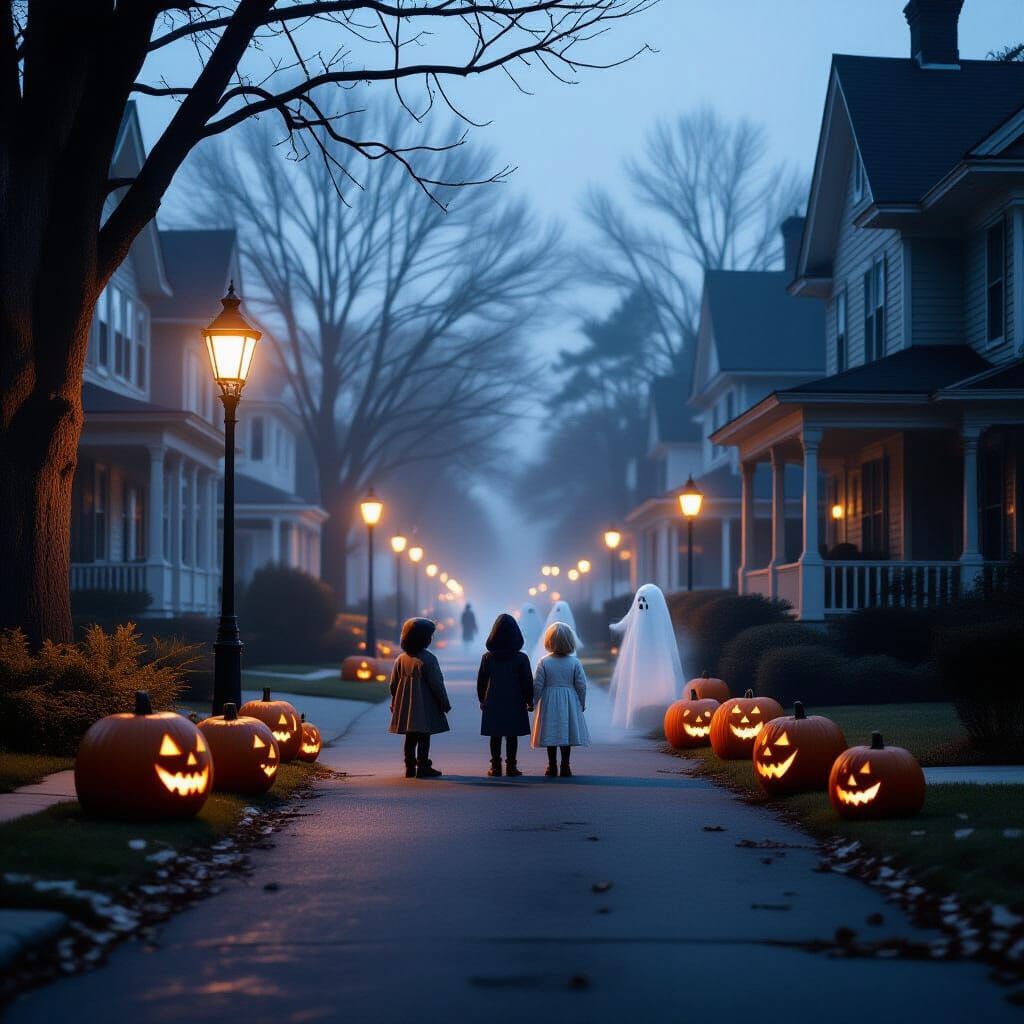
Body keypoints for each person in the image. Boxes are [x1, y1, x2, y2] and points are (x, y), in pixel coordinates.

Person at [388, 617, 451, 779]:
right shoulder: (428, 659)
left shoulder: (401, 659)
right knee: (424, 736)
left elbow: (393, 684)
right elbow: (437, 684)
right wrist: (444, 703)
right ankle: (423, 766)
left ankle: (409, 767)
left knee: (410, 737)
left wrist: (394, 702)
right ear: (423, 639)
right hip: (424, 705)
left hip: (406, 705)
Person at [476, 613, 534, 777]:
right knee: (512, 734)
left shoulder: (488, 658)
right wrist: (529, 700)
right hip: (515, 700)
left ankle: (495, 766)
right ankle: (511, 766)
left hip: (493, 699)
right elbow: (527, 681)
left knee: (495, 734)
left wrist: (482, 699)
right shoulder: (521, 658)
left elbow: (481, 681)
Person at [531, 622, 590, 777]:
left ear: (549, 641)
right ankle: (565, 765)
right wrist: (582, 702)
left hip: (549, 700)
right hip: (569, 700)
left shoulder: (544, 662)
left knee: (551, 732)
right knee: (566, 732)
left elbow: (538, 684)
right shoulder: (574, 662)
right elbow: (581, 685)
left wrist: (533, 702)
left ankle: (551, 766)